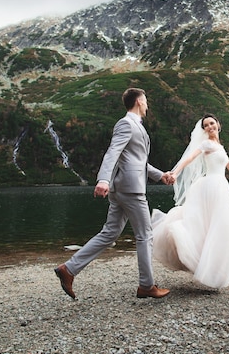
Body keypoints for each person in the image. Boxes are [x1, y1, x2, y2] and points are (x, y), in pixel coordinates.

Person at [55, 88, 174, 300]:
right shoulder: (126, 124)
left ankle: (69, 269)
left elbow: (137, 161)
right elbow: (113, 152)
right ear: (138, 101)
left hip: (123, 188)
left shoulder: (136, 126)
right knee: (145, 235)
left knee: (109, 233)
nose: (147, 105)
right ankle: (146, 285)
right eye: (145, 101)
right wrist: (103, 179)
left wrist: (160, 175)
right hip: (131, 189)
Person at [151, 113, 229, 289]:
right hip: (210, 187)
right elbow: (190, 158)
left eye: (212, 123)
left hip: (221, 187)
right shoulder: (206, 144)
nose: (209, 127)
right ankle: (207, 270)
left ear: (218, 124)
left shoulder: (219, 146)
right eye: (206, 125)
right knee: (212, 226)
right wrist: (175, 173)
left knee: (223, 228)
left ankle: (215, 272)